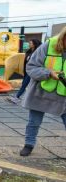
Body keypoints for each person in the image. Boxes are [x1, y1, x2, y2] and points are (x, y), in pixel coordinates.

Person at [20, 27, 66, 156]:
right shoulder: (48, 45)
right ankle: (29, 144)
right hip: (41, 91)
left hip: (63, 94)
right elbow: (31, 67)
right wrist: (48, 73)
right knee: (34, 122)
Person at [7, 39, 42, 104]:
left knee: (25, 84)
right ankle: (24, 97)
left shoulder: (37, 53)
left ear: (34, 44)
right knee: (25, 84)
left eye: (30, 43)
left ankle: (17, 97)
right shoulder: (29, 52)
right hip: (27, 71)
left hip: (32, 71)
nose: (29, 44)